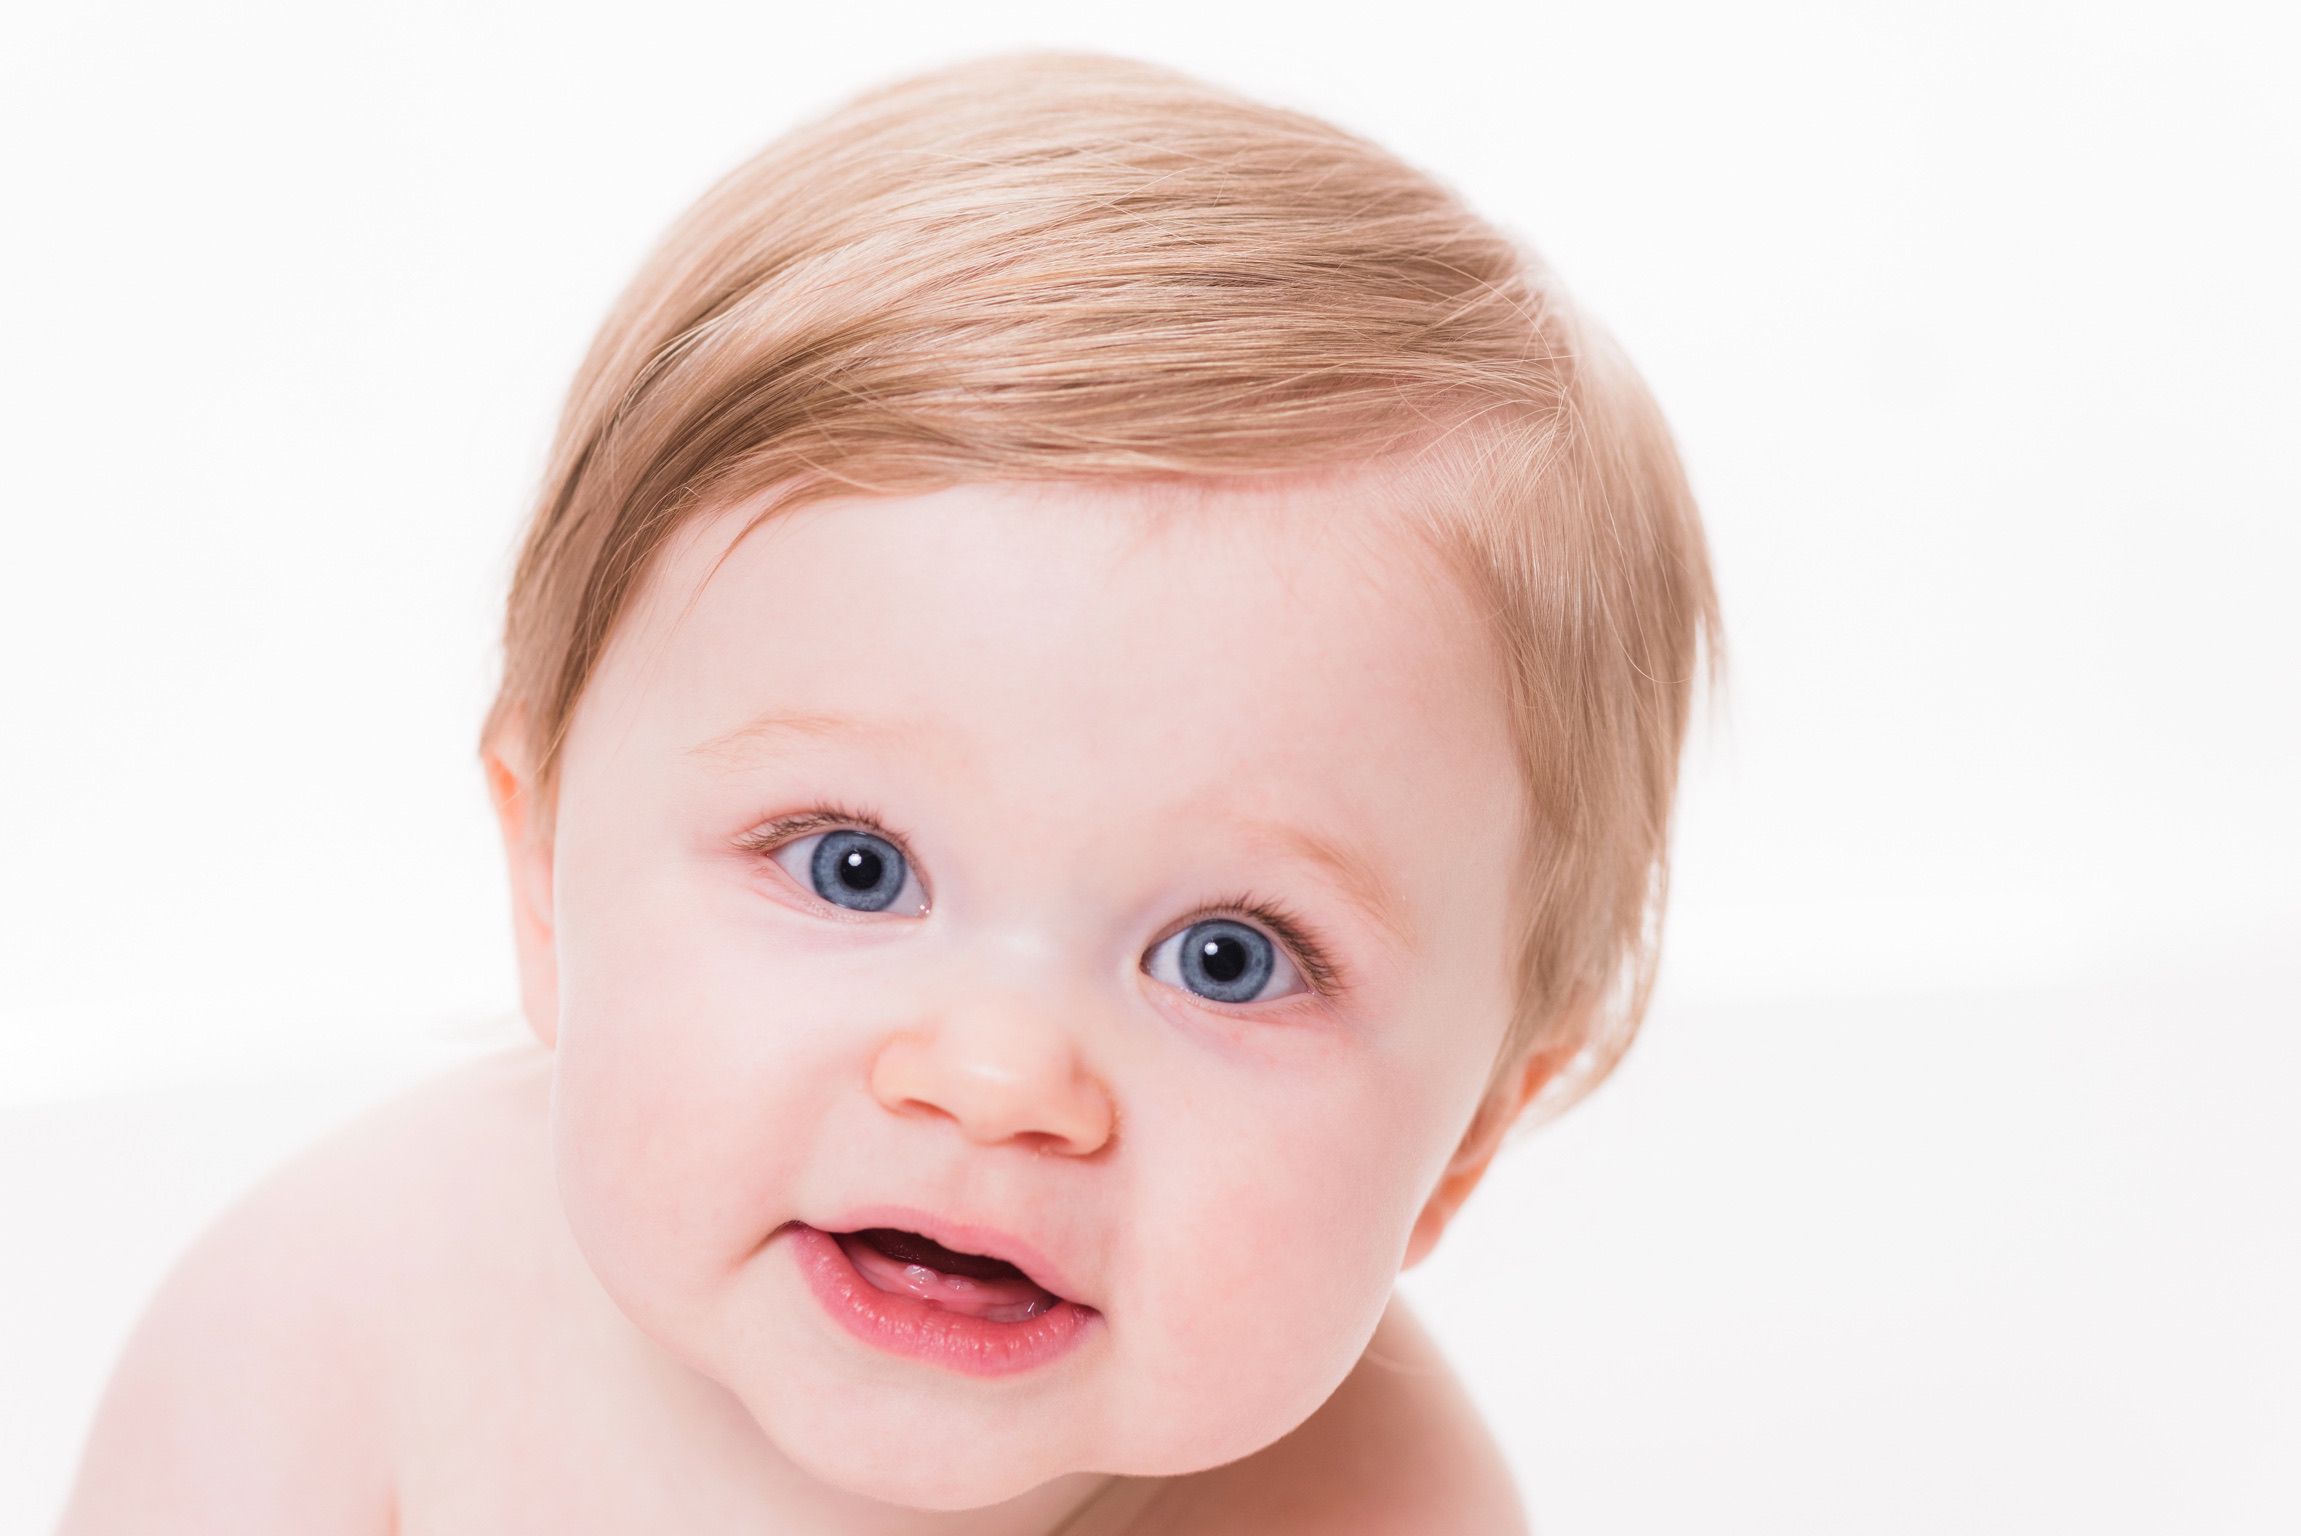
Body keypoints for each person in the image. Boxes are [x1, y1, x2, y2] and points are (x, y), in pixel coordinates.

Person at [59, 53, 1715, 1535]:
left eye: (1230, 953)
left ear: (1467, 1141)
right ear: (548, 881)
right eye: (854, 867)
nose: (998, 1079)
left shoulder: (1372, 1509)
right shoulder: (337, 1328)